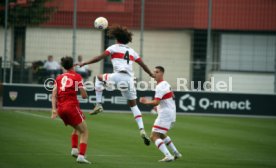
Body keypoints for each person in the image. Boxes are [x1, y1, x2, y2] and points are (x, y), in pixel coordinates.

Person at [78, 24, 154, 146]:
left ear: (117, 38)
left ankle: (98, 104)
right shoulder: (132, 51)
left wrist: (86, 62)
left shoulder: (113, 47)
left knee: (98, 77)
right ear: (127, 39)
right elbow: (143, 65)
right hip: (129, 80)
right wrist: (151, 74)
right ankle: (142, 129)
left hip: (117, 77)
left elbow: (99, 58)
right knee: (133, 106)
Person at [51, 56, 91, 164]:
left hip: (60, 109)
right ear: (73, 65)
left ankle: (74, 149)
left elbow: (54, 95)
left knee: (77, 126)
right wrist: (86, 93)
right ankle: (81, 156)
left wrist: (54, 110)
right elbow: (83, 95)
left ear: (63, 66)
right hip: (71, 107)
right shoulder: (77, 76)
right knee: (85, 131)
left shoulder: (59, 77)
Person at [139, 66, 182, 162]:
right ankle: (176, 153)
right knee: (162, 135)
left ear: (162, 73)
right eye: (154, 72)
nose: (154, 74)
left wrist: (146, 102)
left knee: (154, 136)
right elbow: (171, 96)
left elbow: (156, 102)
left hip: (165, 114)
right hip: (171, 113)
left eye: (157, 72)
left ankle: (168, 155)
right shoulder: (166, 84)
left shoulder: (159, 87)